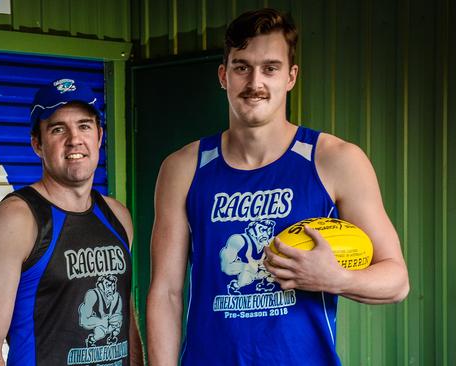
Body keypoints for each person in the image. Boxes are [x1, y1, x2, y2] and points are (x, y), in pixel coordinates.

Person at [146, 8, 409, 365]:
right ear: (224, 75)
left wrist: (334, 278)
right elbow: (166, 293)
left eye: (270, 68)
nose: (255, 82)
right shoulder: (183, 167)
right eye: (242, 67)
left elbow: (396, 280)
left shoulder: (335, 160)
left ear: (290, 77)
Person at [0, 78, 142, 365]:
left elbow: (127, 320)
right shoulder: (17, 219)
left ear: (99, 136)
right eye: (58, 129)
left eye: (84, 126)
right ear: (37, 144)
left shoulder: (118, 216)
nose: (74, 139)